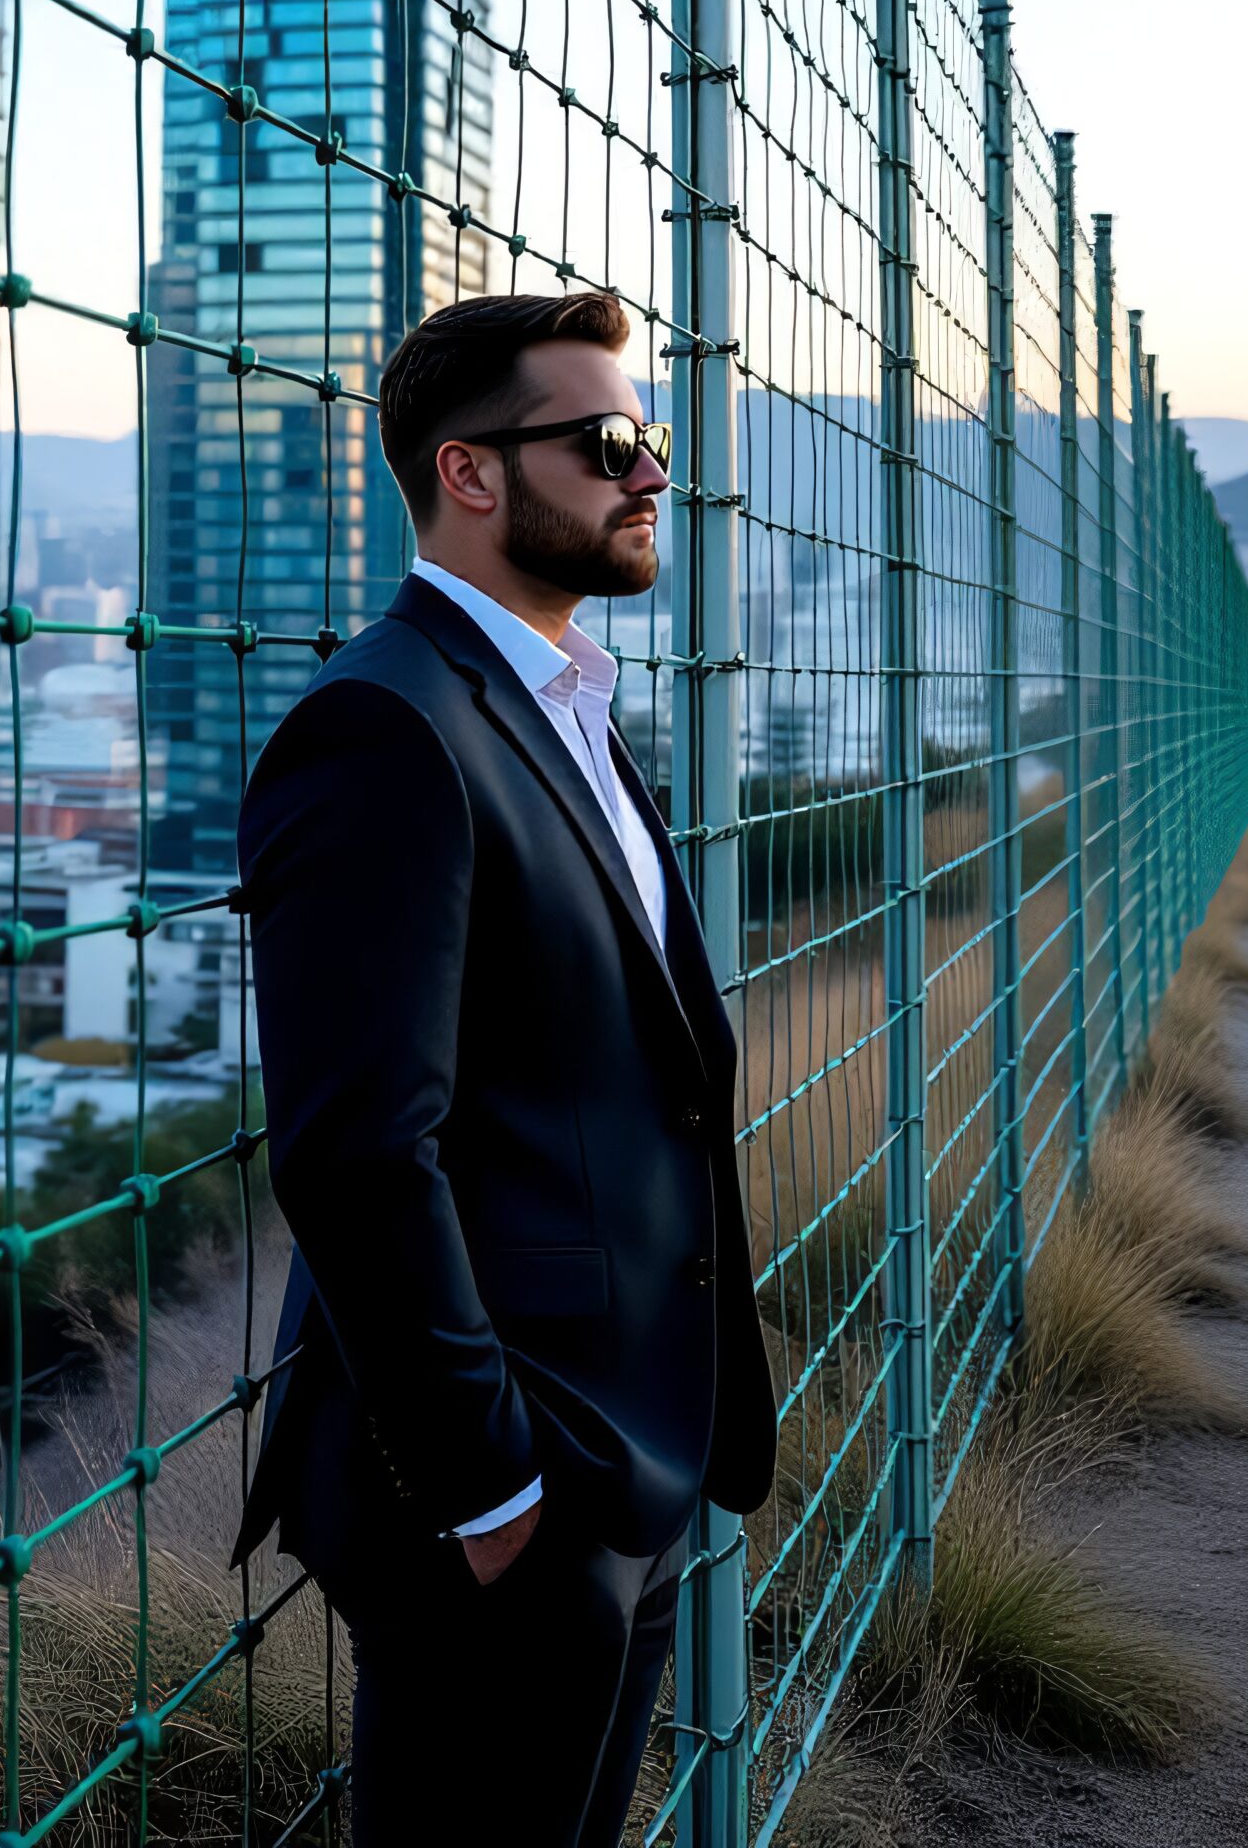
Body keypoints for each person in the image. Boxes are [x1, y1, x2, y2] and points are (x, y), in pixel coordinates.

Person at [230, 289, 778, 1846]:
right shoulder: (385, 727)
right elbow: (353, 1151)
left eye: (650, 437)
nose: (651, 472)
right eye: (608, 443)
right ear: (471, 476)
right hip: (504, 1484)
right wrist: (493, 1492)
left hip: (626, 1458)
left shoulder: (565, 704)